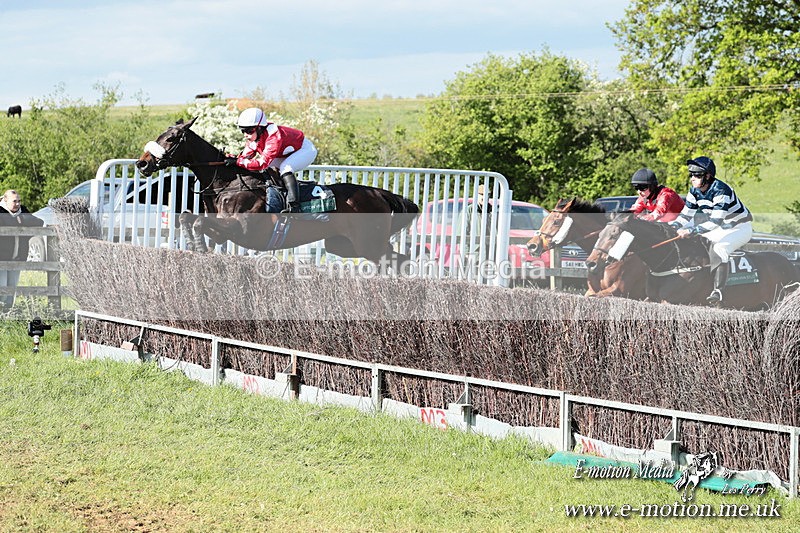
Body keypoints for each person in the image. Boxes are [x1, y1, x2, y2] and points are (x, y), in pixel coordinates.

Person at [669, 156, 753, 304]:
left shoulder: (721, 190)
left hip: (740, 228)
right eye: (691, 175)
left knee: (720, 248)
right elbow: (685, 216)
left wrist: (691, 231)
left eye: (696, 175)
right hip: (722, 228)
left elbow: (715, 221)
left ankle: (718, 291)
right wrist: (672, 227)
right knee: (699, 243)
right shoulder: (694, 190)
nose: (692, 178)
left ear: (707, 176)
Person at [225, 108, 318, 213]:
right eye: (243, 131)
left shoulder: (273, 136)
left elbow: (262, 163)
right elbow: (244, 158)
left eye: (249, 131)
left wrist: (238, 161)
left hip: (305, 150)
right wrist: (234, 159)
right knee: (270, 169)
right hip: (286, 152)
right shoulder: (254, 138)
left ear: (259, 128)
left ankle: (294, 206)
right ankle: (280, 199)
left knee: (285, 168)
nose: (246, 135)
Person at [0, 190, 44, 309]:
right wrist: (19, 221)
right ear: (5, 200)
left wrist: (20, 220)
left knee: (11, 290)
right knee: (2, 289)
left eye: (19, 201)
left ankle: (7, 315)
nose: (18, 204)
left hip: (17, 258)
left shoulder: (22, 210)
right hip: (2, 259)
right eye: (14, 201)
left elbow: (39, 222)